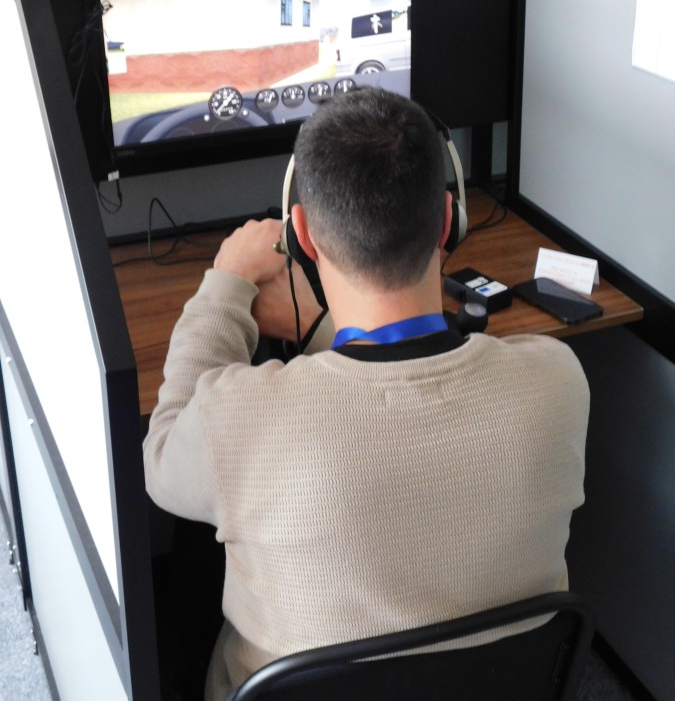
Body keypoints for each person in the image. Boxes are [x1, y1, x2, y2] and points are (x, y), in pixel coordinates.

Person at [143, 88, 589, 699]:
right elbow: (402, 391)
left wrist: (225, 287)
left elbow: (163, 454)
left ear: (301, 234)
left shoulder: (238, 417)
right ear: (448, 220)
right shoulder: (558, 382)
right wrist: (317, 327)